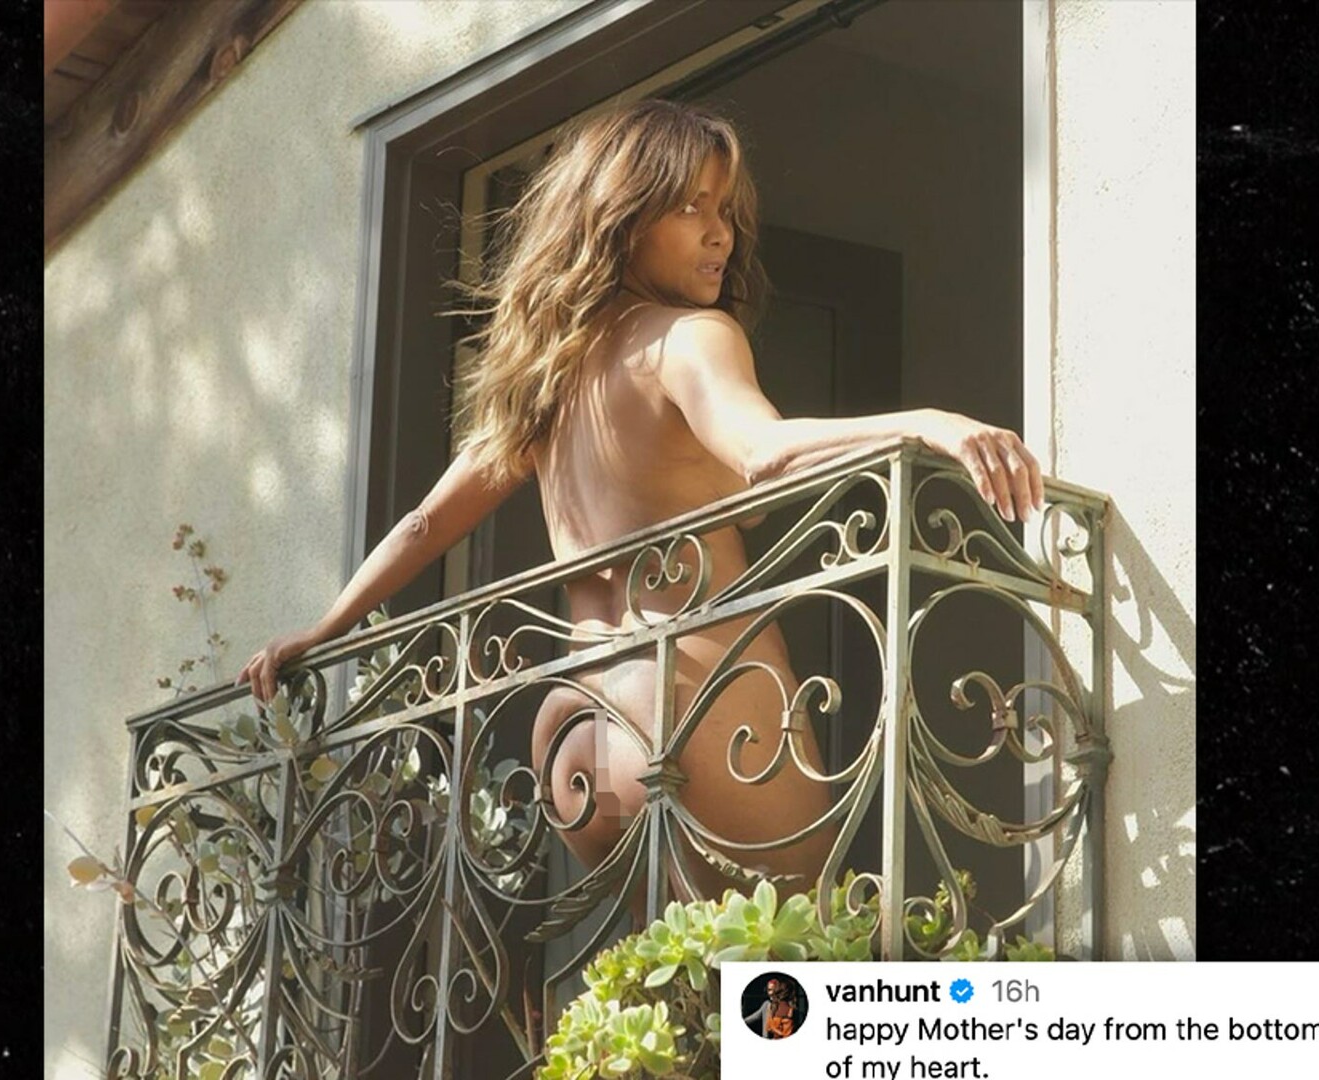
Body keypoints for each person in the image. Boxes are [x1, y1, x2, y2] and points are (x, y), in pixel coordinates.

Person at [237, 98, 1042, 906]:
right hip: (701, 699)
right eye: (691, 208)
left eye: (723, 210)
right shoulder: (690, 338)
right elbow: (762, 451)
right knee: (802, 948)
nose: (720, 234)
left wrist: (323, 630)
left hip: (577, 726)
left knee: (673, 972)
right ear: (622, 219)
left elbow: (424, 524)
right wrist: (931, 424)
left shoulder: (542, 379)